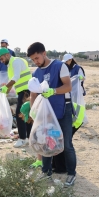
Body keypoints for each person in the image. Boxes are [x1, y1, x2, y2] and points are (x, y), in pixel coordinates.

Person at [27, 42, 76, 187]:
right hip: (45, 114)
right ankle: (46, 172)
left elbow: (68, 86)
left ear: (44, 53)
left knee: (67, 144)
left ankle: (71, 174)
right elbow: (33, 94)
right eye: (33, 60)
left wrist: (53, 91)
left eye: (37, 58)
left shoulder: (60, 66)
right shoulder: (36, 72)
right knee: (46, 142)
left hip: (63, 110)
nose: (35, 62)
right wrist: (33, 112)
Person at [52, 53, 86, 173]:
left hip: (74, 110)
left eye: (68, 61)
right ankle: (60, 167)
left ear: (71, 60)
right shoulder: (64, 69)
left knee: (65, 143)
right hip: (72, 108)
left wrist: (78, 79)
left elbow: (81, 79)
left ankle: (64, 169)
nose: (66, 63)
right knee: (61, 141)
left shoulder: (78, 68)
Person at [0, 48, 32, 147]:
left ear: (7, 55)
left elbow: (16, 77)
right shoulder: (11, 65)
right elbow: (13, 80)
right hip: (24, 91)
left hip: (26, 91)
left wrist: (6, 87)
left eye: (2, 59)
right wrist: (5, 91)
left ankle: (22, 139)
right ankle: (28, 138)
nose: (1, 61)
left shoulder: (16, 61)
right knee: (26, 114)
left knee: (20, 115)